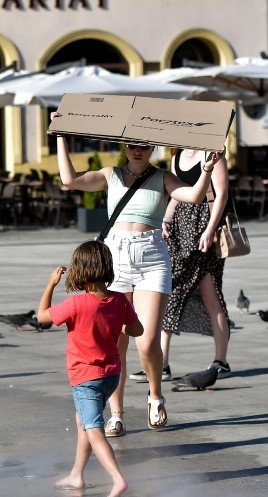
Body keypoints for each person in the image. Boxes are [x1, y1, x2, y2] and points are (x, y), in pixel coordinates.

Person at [52, 111, 223, 435]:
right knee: (116, 343)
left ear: (152, 148)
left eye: (143, 145)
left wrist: (207, 169)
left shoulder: (161, 178)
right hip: (116, 259)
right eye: (132, 145)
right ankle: (116, 413)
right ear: (124, 146)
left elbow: (195, 195)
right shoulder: (110, 174)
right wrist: (61, 134)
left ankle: (155, 396)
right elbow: (70, 180)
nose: (137, 150)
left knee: (145, 341)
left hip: (152, 258)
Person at [37, 240, 143, 497]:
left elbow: (42, 317)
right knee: (82, 421)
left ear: (80, 271)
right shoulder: (118, 300)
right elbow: (137, 330)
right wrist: (123, 327)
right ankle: (76, 475)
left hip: (86, 379)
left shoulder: (75, 305)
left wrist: (51, 283)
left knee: (93, 428)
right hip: (111, 376)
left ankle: (117, 479)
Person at [142, 148, 231, 381]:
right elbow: (176, 195)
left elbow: (221, 194)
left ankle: (220, 361)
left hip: (204, 232)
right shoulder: (177, 156)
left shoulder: (212, 156)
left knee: (210, 296)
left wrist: (210, 229)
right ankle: (161, 362)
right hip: (181, 232)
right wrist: (165, 219)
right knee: (172, 292)